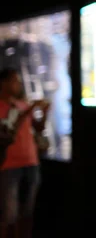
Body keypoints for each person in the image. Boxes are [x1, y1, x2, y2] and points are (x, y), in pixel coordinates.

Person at [0, 68, 50, 238]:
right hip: (9, 165)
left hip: (31, 161)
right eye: (14, 81)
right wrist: (31, 108)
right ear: (4, 83)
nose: (18, 84)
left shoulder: (22, 104)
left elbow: (38, 128)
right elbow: (12, 126)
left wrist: (44, 113)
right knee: (9, 214)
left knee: (28, 212)